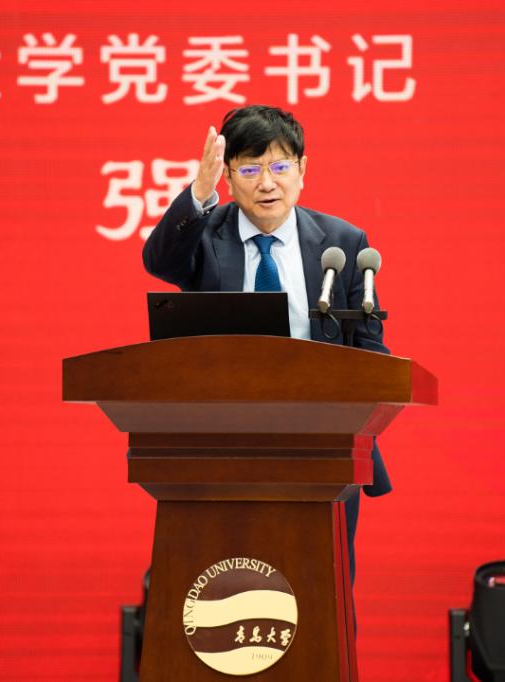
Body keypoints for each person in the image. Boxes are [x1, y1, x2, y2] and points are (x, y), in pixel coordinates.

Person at [142, 104, 391, 584]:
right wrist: (198, 193)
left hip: (325, 448)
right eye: (250, 170)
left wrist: (356, 420)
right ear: (228, 177)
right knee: (227, 584)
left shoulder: (343, 243)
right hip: (223, 447)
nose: (267, 183)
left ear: (302, 170)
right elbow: (160, 261)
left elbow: (369, 346)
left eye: (280, 166)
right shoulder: (207, 237)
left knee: (323, 586)